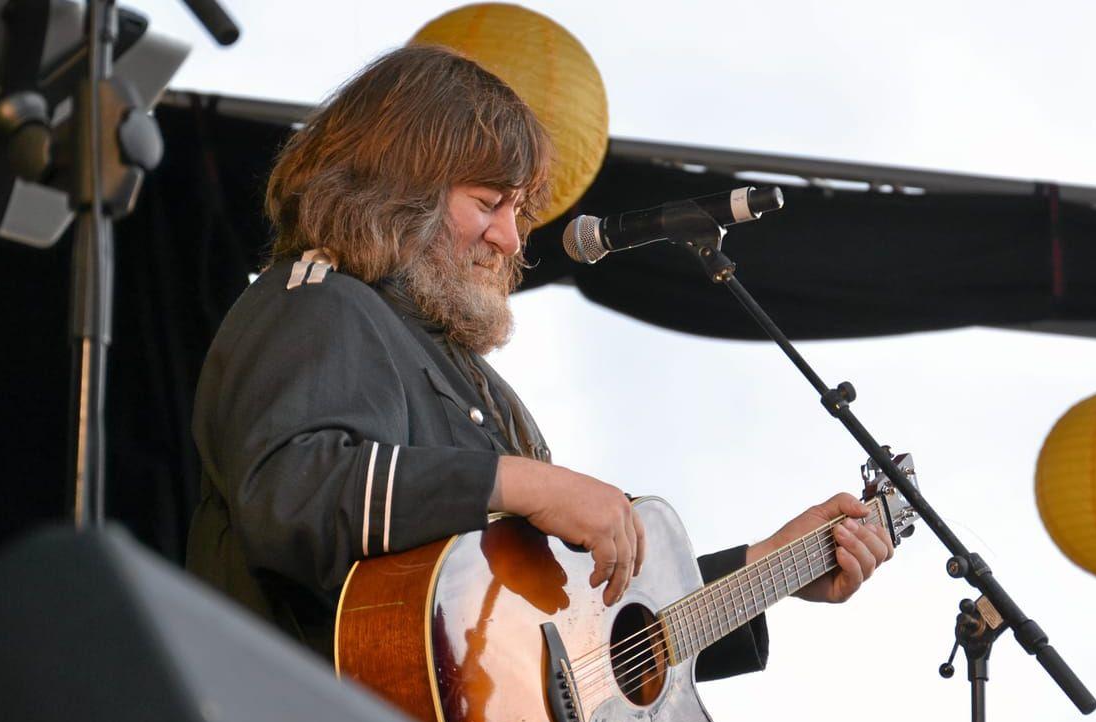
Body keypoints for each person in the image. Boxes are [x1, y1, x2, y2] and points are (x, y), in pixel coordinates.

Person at [186, 44, 893, 682]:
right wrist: (519, 481)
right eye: (489, 202)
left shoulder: (484, 389)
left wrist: (765, 569)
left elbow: (582, 653)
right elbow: (292, 495)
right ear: (397, 187)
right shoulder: (321, 301)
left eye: (517, 210)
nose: (507, 237)